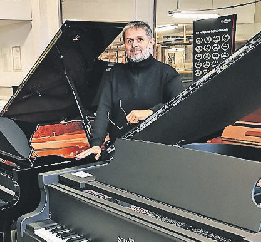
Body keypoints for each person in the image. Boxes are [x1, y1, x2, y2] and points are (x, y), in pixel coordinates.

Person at [76, 21, 183, 160]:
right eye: (129, 41)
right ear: (125, 45)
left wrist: (151, 112)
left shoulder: (168, 73)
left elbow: (180, 109)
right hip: (121, 151)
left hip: (157, 152)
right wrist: (96, 143)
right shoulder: (114, 74)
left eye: (140, 39)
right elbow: (104, 109)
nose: (134, 45)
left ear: (151, 42)